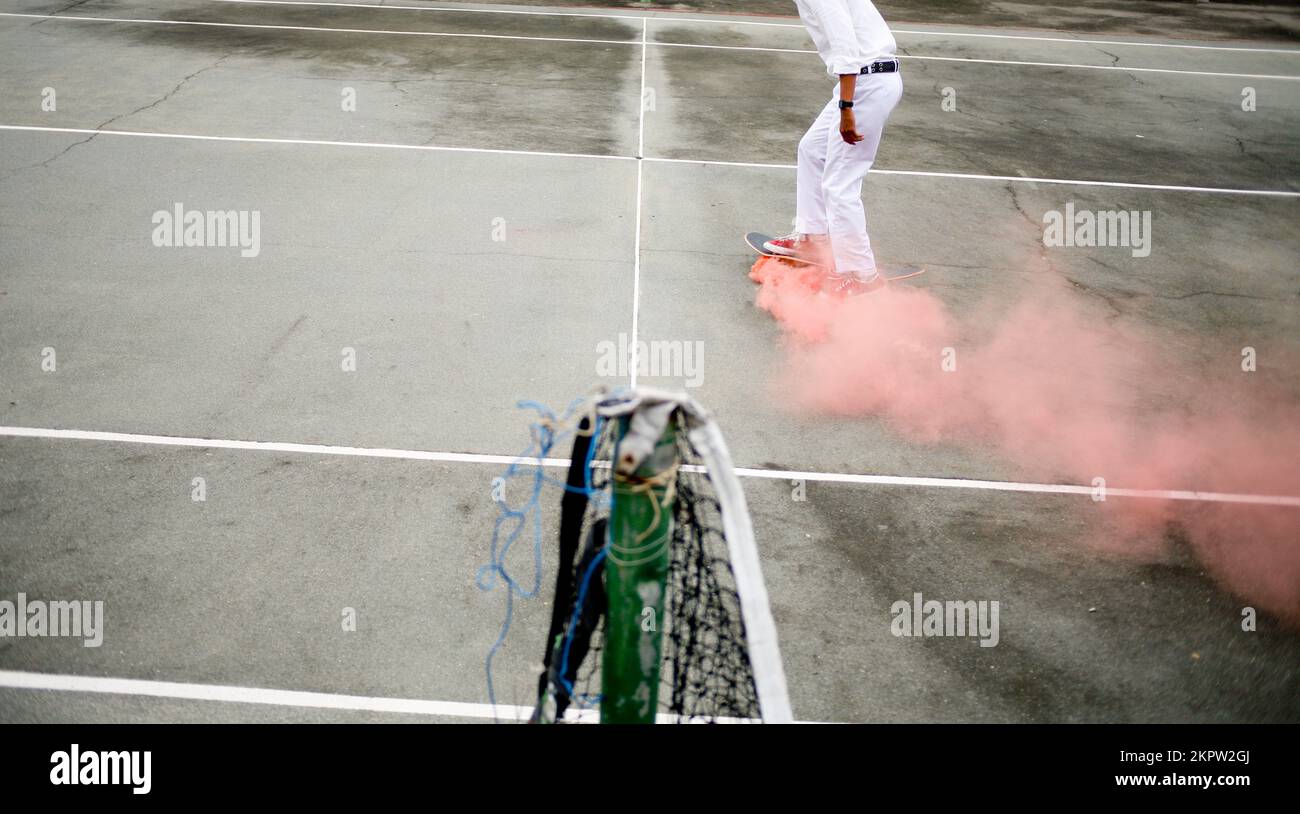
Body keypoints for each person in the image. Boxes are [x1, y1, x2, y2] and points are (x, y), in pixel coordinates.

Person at [764, 0, 902, 296]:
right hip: (866, 79)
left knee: (840, 184)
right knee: (811, 149)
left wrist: (847, 107)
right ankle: (814, 238)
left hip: (868, 83)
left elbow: (845, 45)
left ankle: (862, 276)